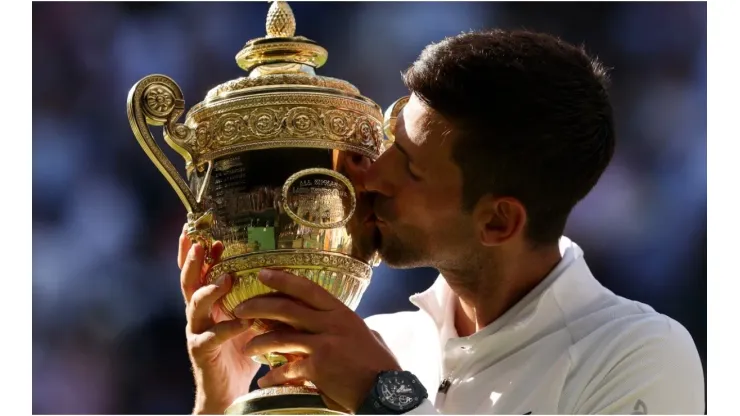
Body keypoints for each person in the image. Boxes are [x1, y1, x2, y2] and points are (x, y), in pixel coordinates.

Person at [177, 29, 705, 415]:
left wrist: (385, 396)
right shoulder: (373, 342)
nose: (369, 174)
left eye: (406, 167)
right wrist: (221, 399)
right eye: (389, 139)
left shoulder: (639, 353)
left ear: (498, 222)